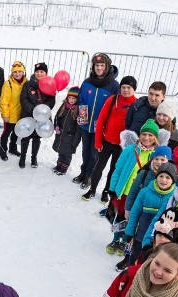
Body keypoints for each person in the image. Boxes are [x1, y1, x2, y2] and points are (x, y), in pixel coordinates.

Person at [104, 119, 160, 256]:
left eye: (151, 135)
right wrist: (112, 188)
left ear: (155, 138)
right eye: (144, 134)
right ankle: (116, 239)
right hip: (124, 192)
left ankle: (125, 241)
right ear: (140, 135)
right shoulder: (130, 150)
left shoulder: (156, 155)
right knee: (120, 216)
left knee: (133, 219)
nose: (147, 138)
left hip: (140, 195)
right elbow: (117, 169)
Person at [83, 75, 138, 201]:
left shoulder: (136, 104)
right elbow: (101, 119)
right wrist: (97, 141)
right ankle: (92, 189)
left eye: (128, 87)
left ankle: (106, 191)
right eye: (123, 87)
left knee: (114, 170)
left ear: (134, 89)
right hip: (106, 141)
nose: (125, 90)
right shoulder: (113, 99)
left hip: (122, 146)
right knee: (99, 167)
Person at [72, 52, 120, 190]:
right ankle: (83, 172)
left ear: (107, 67)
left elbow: (114, 108)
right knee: (85, 151)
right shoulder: (87, 82)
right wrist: (81, 114)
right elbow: (81, 99)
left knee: (94, 153)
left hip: (101, 128)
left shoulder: (113, 86)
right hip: (86, 125)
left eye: (102, 65)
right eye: (97, 65)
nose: (99, 68)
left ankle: (89, 176)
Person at [122, 162, 178, 270]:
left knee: (154, 264)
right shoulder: (145, 192)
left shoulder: (175, 197)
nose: (163, 180)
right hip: (140, 235)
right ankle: (129, 278)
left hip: (160, 240)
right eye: (161, 176)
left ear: (173, 180)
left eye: (168, 177)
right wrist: (130, 232)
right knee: (135, 260)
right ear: (156, 176)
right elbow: (135, 213)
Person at [19, 62, 57, 169]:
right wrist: (33, 109)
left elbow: (51, 100)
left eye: (42, 72)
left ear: (46, 73)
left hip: (42, 117)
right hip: (28, 115)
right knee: (25, 137)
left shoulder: (50, 85)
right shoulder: (28, 84)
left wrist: (42, 110)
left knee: (36, 138)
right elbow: (23, 99)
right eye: (37, 71)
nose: (39, 74)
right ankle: (22, 157)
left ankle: (34, 158)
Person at [0, 61, 26, 162]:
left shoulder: (26, 83)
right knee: (6, 134)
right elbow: (4, 101)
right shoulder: (8, 84)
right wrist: (5, 114)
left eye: (20, 71)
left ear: (23, 72)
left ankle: (13, 149)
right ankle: (3, 151)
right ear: (12, 73)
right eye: (15, 72)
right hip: (10, 115)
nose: (17, 74)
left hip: (21, 115)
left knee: (16, 133)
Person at [52, 86, 82, 176]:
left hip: (70, 136)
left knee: (67, 153)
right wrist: (56, 126)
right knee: (60, 150)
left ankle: (64, 168)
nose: (71, 100)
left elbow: (79, 127)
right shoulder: (64, 106)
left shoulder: (80, 110)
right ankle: (59, 165)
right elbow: (57, 117)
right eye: (70, 97)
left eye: (74, 98)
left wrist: (76, 140)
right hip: (61, 134)